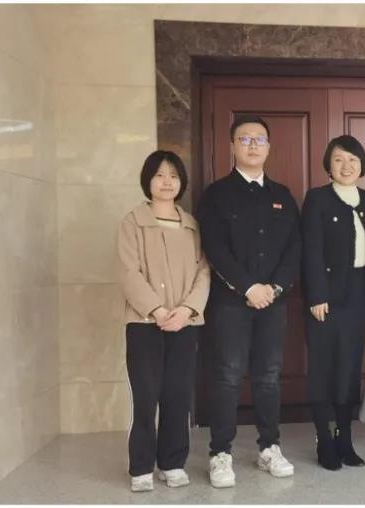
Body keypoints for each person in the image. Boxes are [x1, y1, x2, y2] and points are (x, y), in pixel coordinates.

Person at [196, 114, 301, 487]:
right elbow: (214, 248)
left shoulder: (282, 196)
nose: (253, 145)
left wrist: (275, 288)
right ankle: (220, 453)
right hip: (230, 303)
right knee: (227, 376)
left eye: (259, 139)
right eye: (245, 139)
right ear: (232, 146)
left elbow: (294, 249)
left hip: (273, 302)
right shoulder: (216, 195)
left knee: (268, 376)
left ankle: (269, 447)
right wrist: (247, 287)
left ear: (269, 147)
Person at [117, 150, 210, 492]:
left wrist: (187, 310)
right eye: (159, 175)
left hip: (185, 324)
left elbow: (203, 272)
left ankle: (172, 462)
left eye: (173, 175)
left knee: (177, 395)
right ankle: (141, 466)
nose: (167, 181)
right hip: (144, 324)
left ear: (181, 182)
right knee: (145, 396)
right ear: (148, 181)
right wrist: (156, 310)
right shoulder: (132, 222)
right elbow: (128, 273)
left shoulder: (192, 225)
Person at [300, 135, 365, 471]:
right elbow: (311, 251)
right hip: (326, 296)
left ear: (362, 164)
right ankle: (324, 439)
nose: (346, 166)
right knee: (323, 368)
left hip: (358, 294)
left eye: (352, 159)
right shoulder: (317, 198)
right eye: (338, 159)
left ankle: (345, 439)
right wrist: (316, 295)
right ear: (328, 166)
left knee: (349, 370)